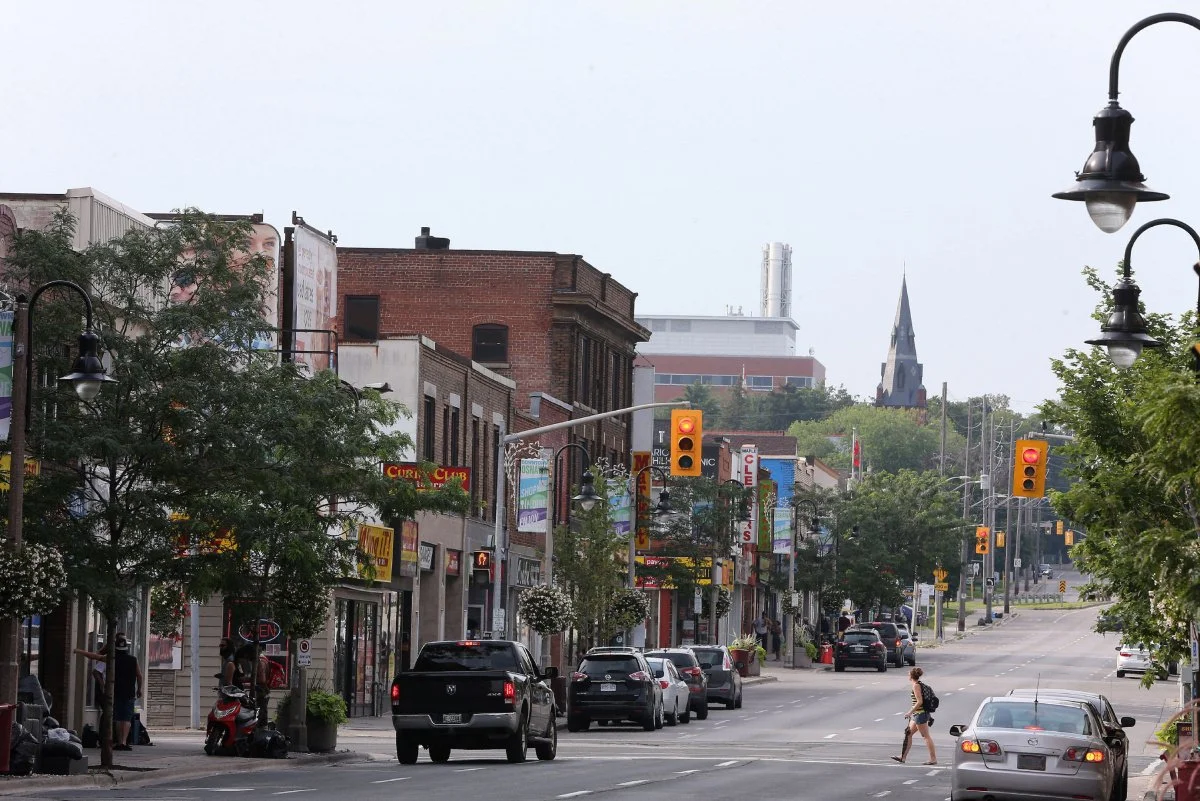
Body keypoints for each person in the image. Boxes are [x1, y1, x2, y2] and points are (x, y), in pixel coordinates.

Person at [892, 666, 937, 765]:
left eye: (908, 674)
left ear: (911, 676)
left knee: (926, 736)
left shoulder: (916, 686)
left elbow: (919, 701)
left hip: (920, 714)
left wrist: (910, 712)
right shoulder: (919, 684)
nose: (908, 675)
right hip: (918, 714)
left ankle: (933, 759)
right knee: (908, 734)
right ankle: (902, 757)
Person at [111, 634, 142, 751]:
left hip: (117, 691)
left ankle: (119, 742)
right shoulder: (133, 660)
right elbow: (139, 675)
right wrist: (139, 689)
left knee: (118, 718)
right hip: (130, 692)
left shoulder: (113, 659)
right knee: (127, 718)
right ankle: (124, 741)